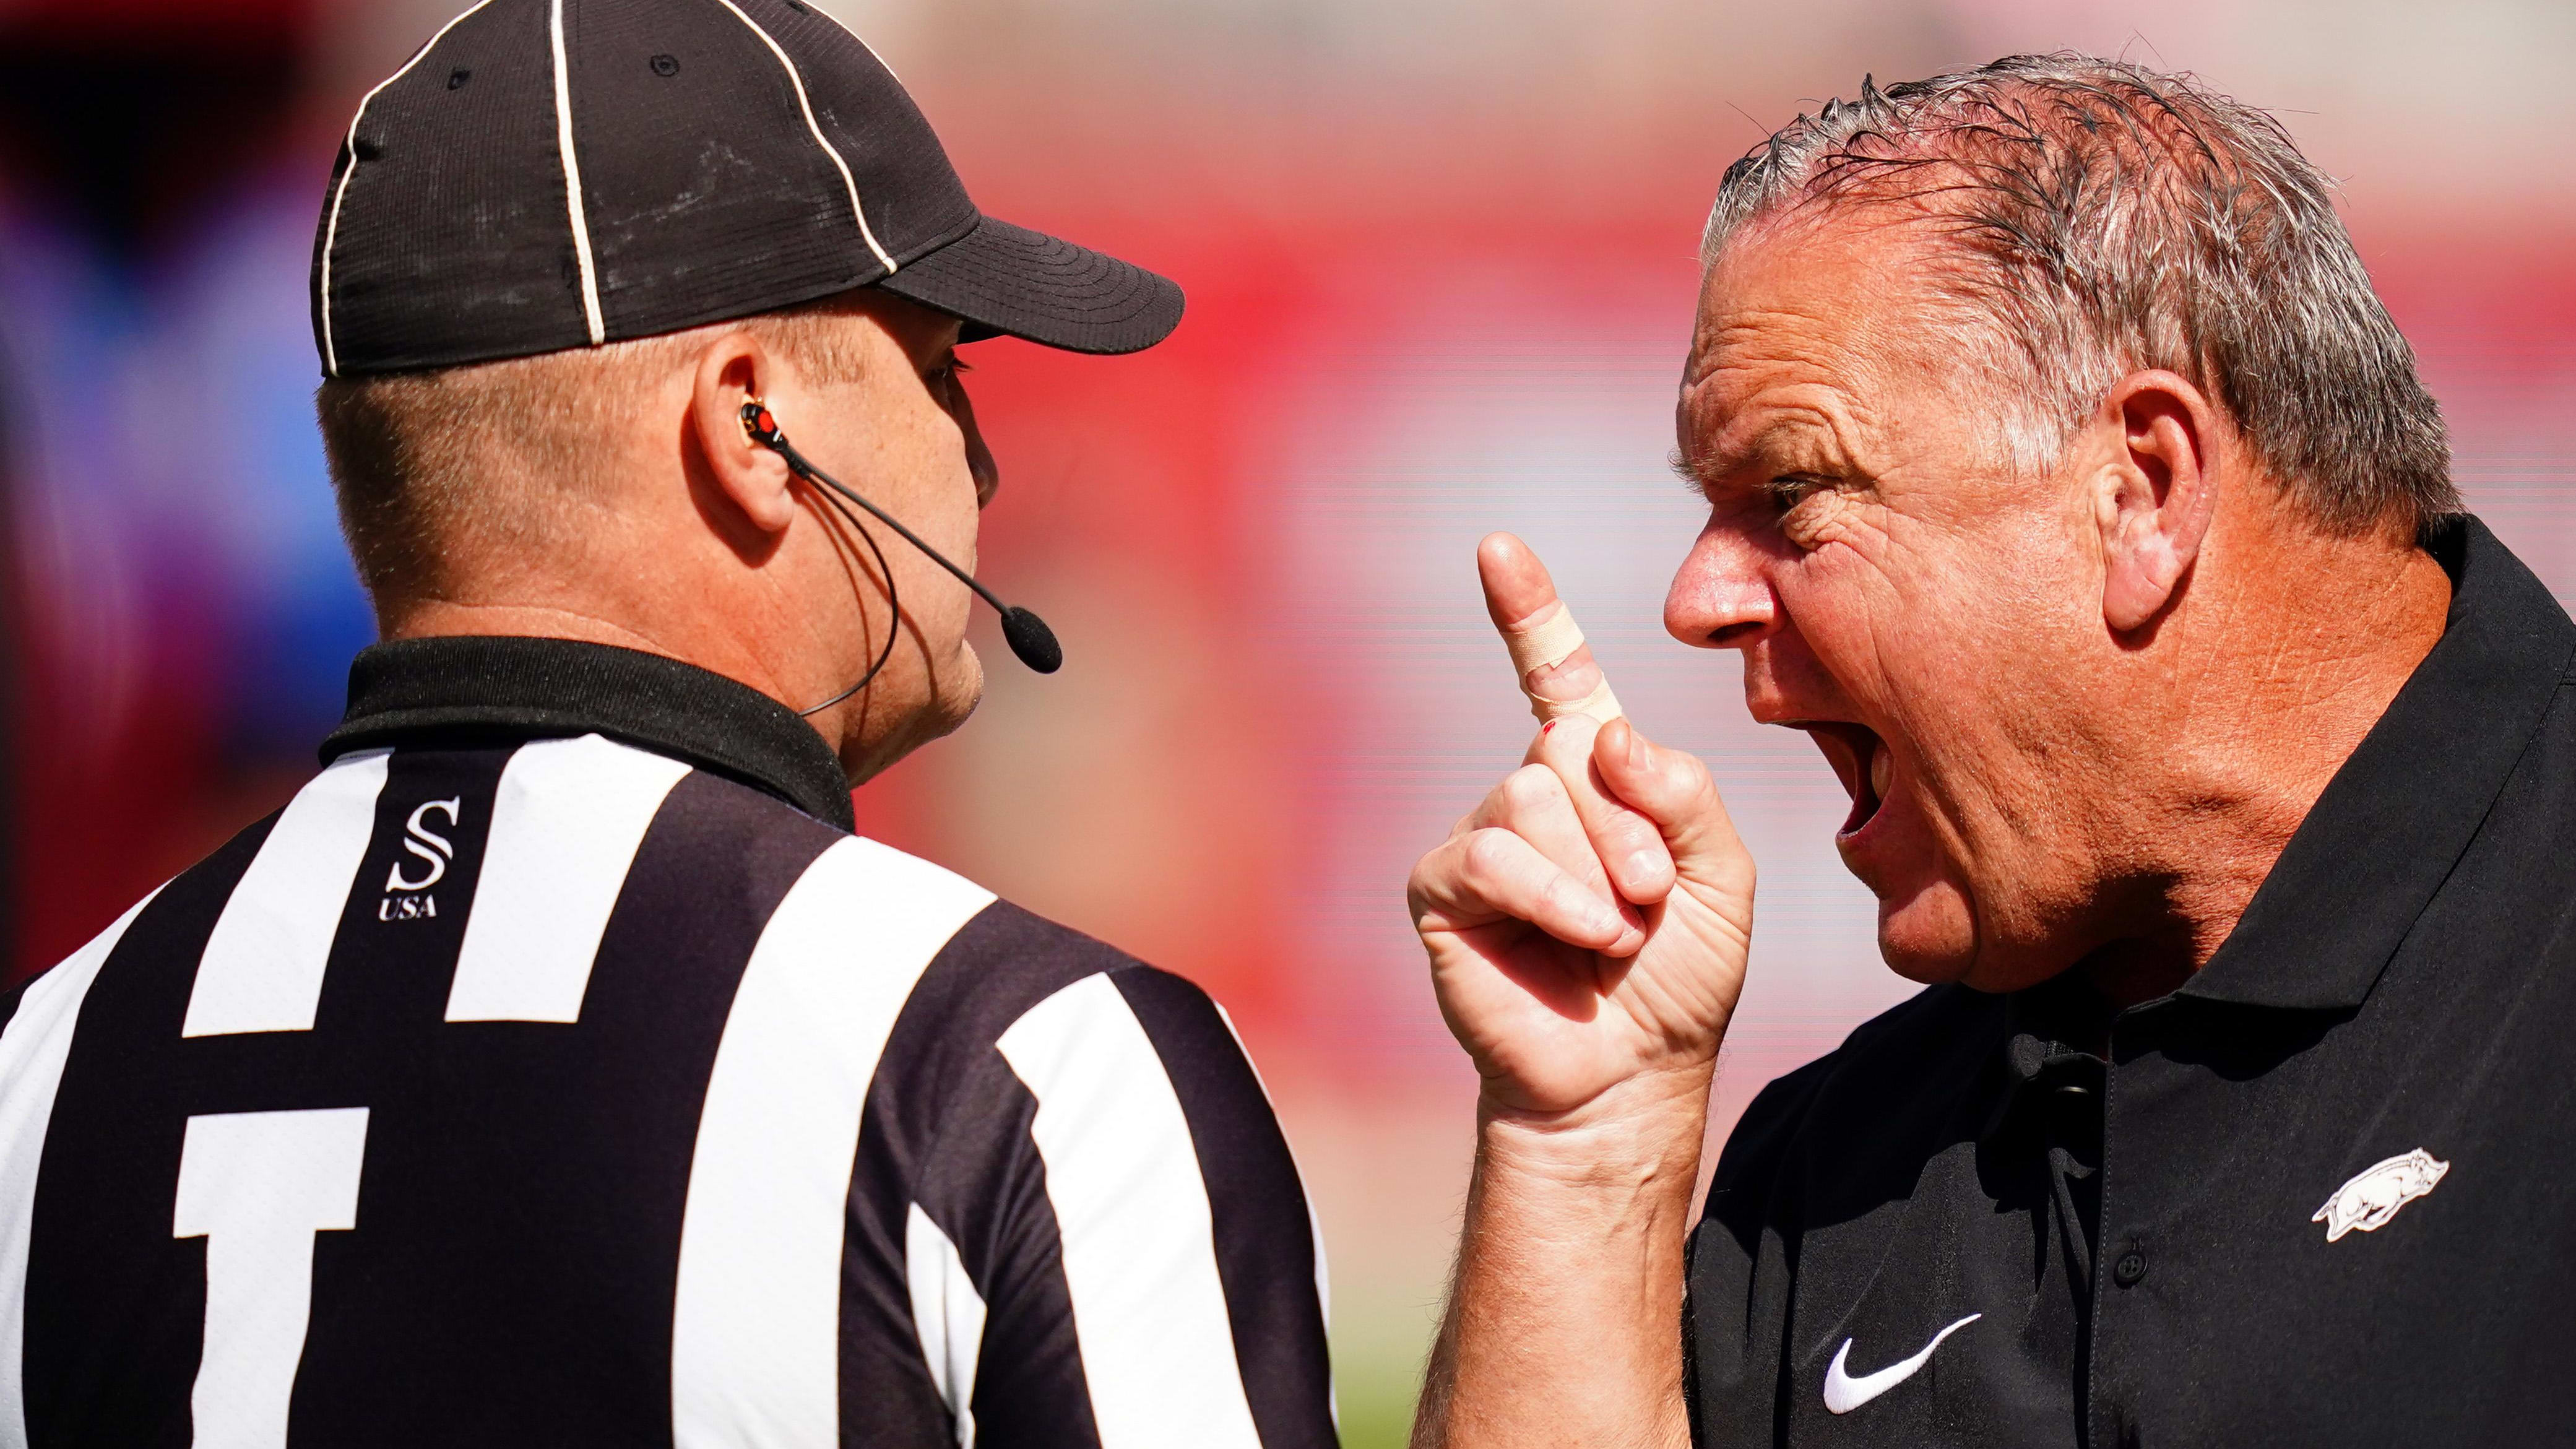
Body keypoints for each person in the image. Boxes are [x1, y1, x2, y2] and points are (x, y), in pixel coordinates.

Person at [0, 4, 1335, 1446]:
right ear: (752, 423)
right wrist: (1577, 1166)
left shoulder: (37, 1073)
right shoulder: (1012, 1063)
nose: (978, 460)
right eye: (947, 370)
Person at [1407, 54, 2575, 1448]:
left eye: (1790, 491)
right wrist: (1581, 1146)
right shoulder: (1834, 1169)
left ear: (2141, 489)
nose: (1693, 600)